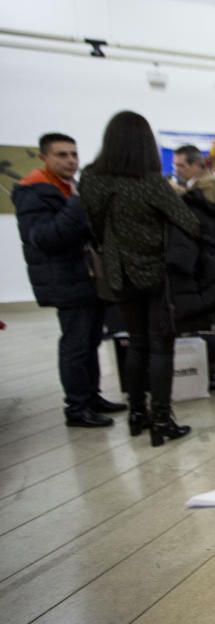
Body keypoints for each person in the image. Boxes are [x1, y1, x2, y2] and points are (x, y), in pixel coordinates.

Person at [80, 111, 200, 447]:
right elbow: (188, 222)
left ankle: (136, 414)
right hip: (154, 273)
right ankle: (162, 421)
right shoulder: (148, 181)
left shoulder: (90, 179)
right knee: (161, 345)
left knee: (136, 342)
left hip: (116, 274)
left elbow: (91, 223)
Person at [12, 132, 126, 427]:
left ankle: (91, 396)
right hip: (65, 279)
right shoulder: (33, 191)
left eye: (73, 154)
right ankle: (76, 408)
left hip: (88, 277)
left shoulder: (68, 188)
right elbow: (44, 238)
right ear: (44, 157)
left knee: (90, 341)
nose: (71, 160)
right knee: (75, 345)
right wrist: (78, 204)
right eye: (62, 155)